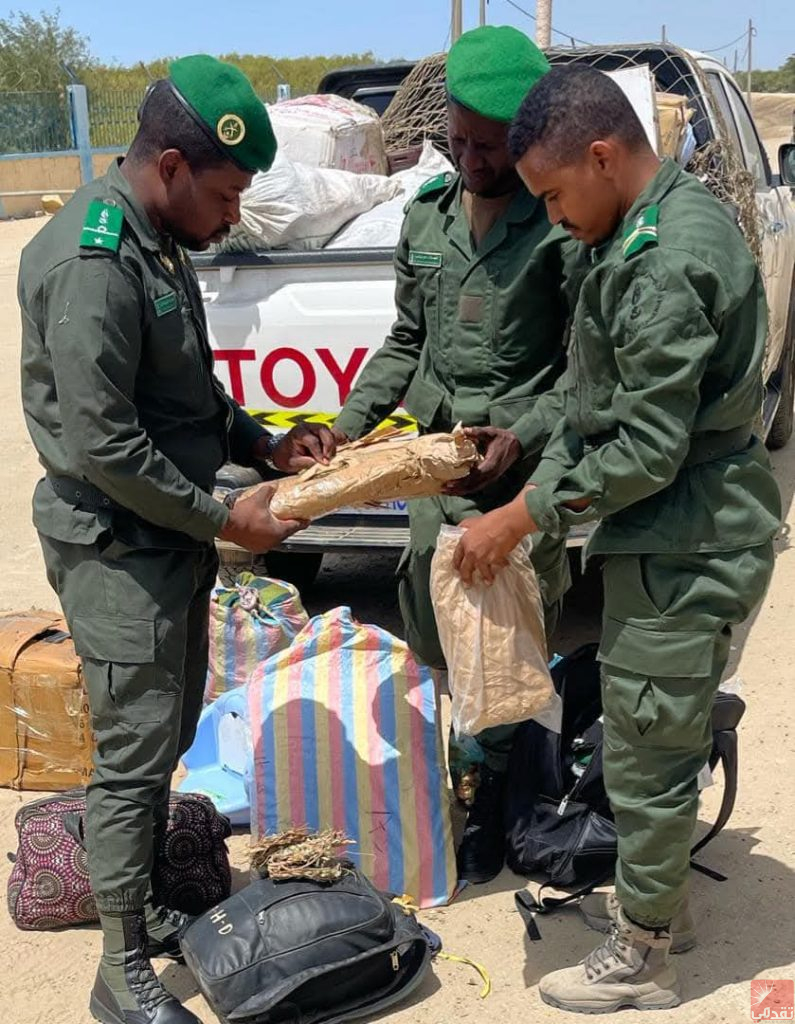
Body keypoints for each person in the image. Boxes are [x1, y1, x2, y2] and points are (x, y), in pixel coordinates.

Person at [453, 65, 781, 1012]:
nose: (551, 217)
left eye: (554, 194)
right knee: (649, 732)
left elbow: (640, 443)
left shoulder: (671, 256)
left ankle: (644, 957)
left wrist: (523, 515)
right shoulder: (635, 228)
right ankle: (656, 908)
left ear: (602, 156)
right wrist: (527, 463)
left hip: (690, 537)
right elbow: (591, 392)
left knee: (647, 745)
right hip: (664, 529)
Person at [18, 55, 336, 1024]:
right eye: (227, 193)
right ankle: (121, 972)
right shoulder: (96, 257)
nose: (233, 215)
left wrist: (263, 444)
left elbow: (188, 396)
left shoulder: (159, 242)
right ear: (169, 166)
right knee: (128, 758)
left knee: (160, 745)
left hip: (165, 545)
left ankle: (145, 899)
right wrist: (223, 515)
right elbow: (103, 441)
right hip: (117, 547)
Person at [331, 25, 574, 886]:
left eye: (488, 145)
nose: (469, 159)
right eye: (458, 141)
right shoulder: (427, 212)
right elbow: (406, 338)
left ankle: (511, 807)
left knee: (508, 652)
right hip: (438, 476)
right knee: (441, 645)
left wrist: (524, 435)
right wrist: (349, 424)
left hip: (515, 482)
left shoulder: (556, 224)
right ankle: (476, 794)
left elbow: (585, 366)